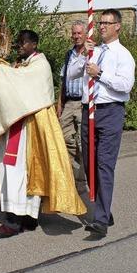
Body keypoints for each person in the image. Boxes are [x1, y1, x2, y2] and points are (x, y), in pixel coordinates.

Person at [0, 30, 86, 238]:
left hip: (30, 130)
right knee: (16, 173)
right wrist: (1, 68)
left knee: (20, 173)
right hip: (16, 127)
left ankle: (14, 222)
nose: (19, 46)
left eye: (23, 42)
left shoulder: (40, 65)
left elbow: (19, 85)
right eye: (18, 43)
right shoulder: (20, 66)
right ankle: (27, 219)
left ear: (35, 44)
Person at [67, 9, 136, 237]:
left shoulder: (123, 55)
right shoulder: (93, 51)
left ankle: (100, 221)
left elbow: (125, 86)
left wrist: (100, 73)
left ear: (118, 26)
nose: (102, 26)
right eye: (101, 22)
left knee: (105, 165)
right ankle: (106, 211)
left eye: (107, 23)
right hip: (89, 112)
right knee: (89, 164)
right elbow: (72, 74)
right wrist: (83, 55)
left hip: (110, 112)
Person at [57, 21, 87, 193]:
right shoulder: (69, 54)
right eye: (74, 33)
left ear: (85, 34)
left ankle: (81, 180)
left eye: (79, 33)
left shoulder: (92, 53)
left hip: (83, 103)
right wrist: (59, 103)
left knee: (84, 143)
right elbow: (63, 80)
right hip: (69, 102)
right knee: (61, 138)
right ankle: (68, 175)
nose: (76, 36)